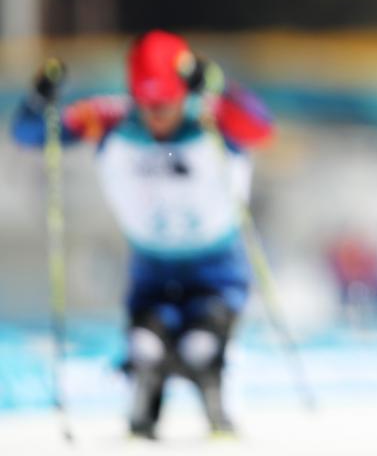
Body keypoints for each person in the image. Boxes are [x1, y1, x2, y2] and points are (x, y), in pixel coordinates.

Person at [11, 30, 273, 439]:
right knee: (145, 346)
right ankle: (142, 417)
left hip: (216, 261)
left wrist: (221, 88)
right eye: (146, 105)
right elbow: (31, 135)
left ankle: (219, 408)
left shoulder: (209, 114)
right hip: (152, 262)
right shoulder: (112, 118)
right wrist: (37, 102)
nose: (156, 117)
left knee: (201, 346)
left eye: (165, 104)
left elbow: (260, 128)